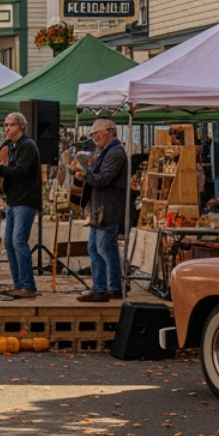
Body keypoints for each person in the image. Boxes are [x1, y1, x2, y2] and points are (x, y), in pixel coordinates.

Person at [73, 119, 130, 303]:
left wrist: (85, 174)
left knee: (103, 248)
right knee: (99, 248)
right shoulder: (107, 151)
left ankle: (104, 288)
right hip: (101, 208)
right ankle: (109, 287)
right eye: (91, 133)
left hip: (108, 208)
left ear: (110, 132)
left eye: (96, 132)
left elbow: (103, 179)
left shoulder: (114, 152)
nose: (93, 136)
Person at [0, 113, 42, 297]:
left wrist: (0, 168)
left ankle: (28, 286)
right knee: (10, 243)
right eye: (5, 125)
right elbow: (3, 169)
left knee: (19, 241)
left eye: (11, 125)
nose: (7, 129)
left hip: (25, 200)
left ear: (21, 127)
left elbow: (20, 171)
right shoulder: (10, 146)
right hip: (13, 200)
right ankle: (19, 283)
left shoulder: (28, 146)